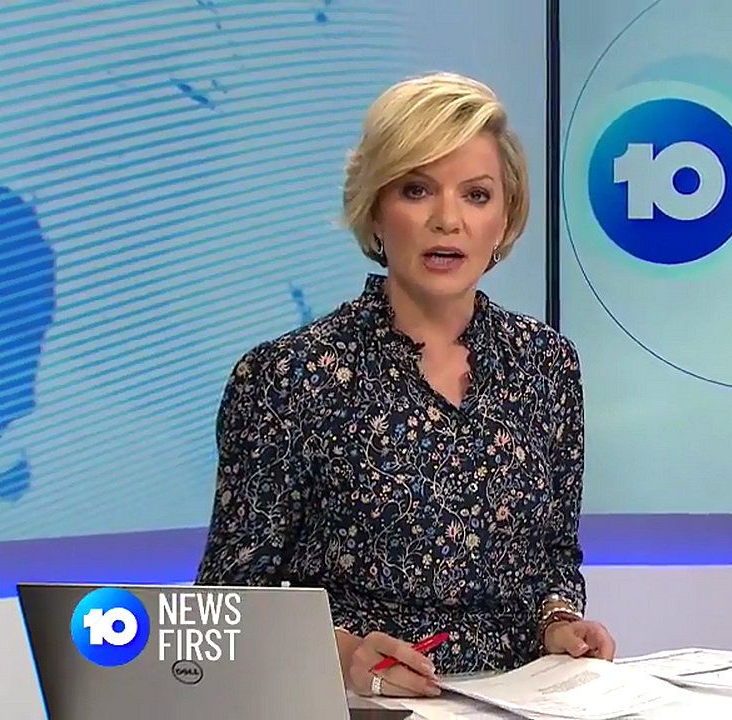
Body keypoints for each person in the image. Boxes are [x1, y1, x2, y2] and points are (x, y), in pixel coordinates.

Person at [195, 71, 615, 698]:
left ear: (505, 216)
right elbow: (228, 605)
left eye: (476, 195)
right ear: (375, 209)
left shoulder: (546, 363)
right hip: (358, 704)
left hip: (519, 701)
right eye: (417, 190)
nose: (448, 220)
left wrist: (559, 624)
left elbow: (554, 556)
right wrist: (343, 656)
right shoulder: (288, 376)